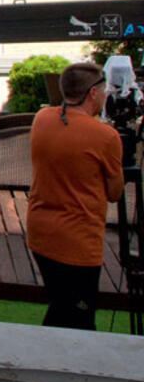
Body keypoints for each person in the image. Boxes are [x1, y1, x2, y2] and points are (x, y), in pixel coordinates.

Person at [26, 62, 123, 330]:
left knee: (61, 306)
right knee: (78, 320)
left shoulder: (42, 118)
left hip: (41, 234)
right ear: (93, 93)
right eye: (104, 90)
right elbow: (115, 192)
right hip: (77, 242)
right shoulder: (105, 136)